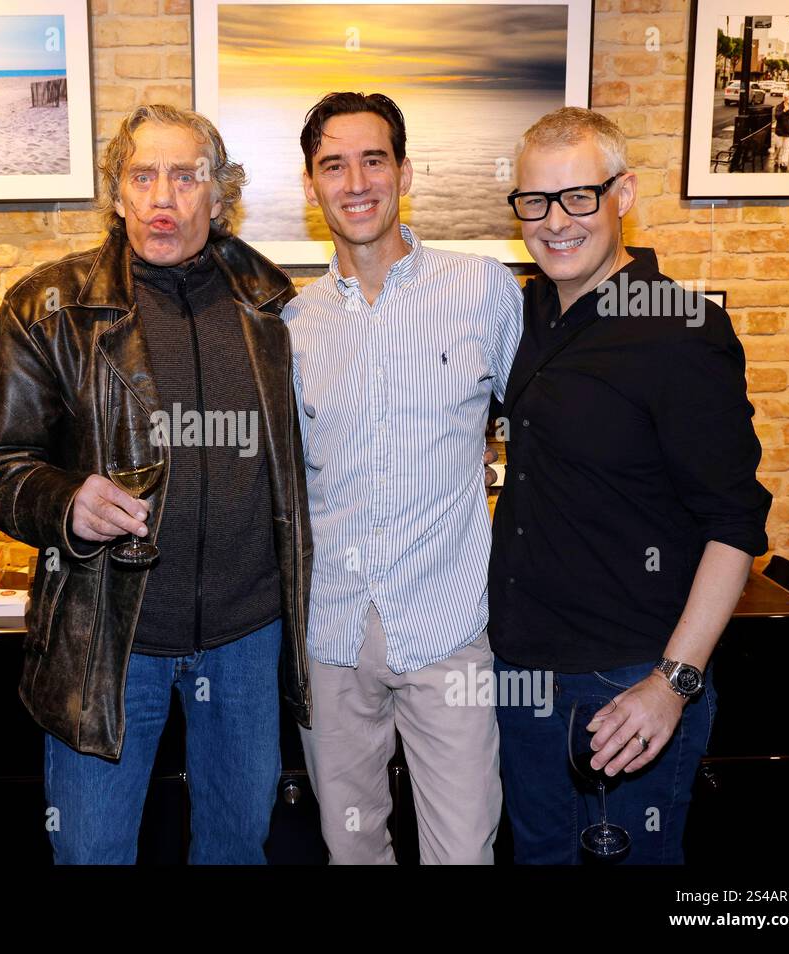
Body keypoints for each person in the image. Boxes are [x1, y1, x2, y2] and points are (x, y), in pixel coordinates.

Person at [0, 104, 312, 865]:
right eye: (141, 175)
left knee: (236, 849)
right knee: (91, 852)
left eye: (185, 177)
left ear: (219, 196)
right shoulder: (50, 307)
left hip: (249, 639)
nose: (162, 196)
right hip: (109, 637)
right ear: (116, 195)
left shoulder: (276, 308)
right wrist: (64, 500)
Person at [492, 107, 771, 864]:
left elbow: (736, 523)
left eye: (578, 197)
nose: (554, 223)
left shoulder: (682, 331)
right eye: (534, 202)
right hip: (520, 674)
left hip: (625, 682)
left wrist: (672, 683)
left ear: (624, 194)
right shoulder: (525, 313)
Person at [282, 92, 520, 864]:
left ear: (405, 171)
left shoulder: (483, 290)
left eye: (373, 159)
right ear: (312, 187)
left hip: (449, 626)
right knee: (351, 852)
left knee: (463, 852)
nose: (356, 181)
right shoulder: (291, 326)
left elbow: (547, 434)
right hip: (333, 634)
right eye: (333, 165)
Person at [772, 90, 789, 172]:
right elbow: (776, 116)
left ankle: (784, 162)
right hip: (779, 131)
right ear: (785, 98)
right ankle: (776, 159)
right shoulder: (779, 106)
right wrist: (784, 111)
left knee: (786, 148)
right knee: (778, 147)